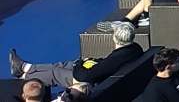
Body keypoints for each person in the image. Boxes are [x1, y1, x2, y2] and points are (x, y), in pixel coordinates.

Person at [9, 20, 145, 89]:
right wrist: (89, 61)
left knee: (55, 72)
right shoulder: (135, 48)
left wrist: (79, 63)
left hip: (93, 82)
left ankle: (24, 76)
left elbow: (84, 76)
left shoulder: (117, 58)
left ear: (114, 38)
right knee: (63, 65)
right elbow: (106, 64)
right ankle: (25, 67)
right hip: (100, 73)